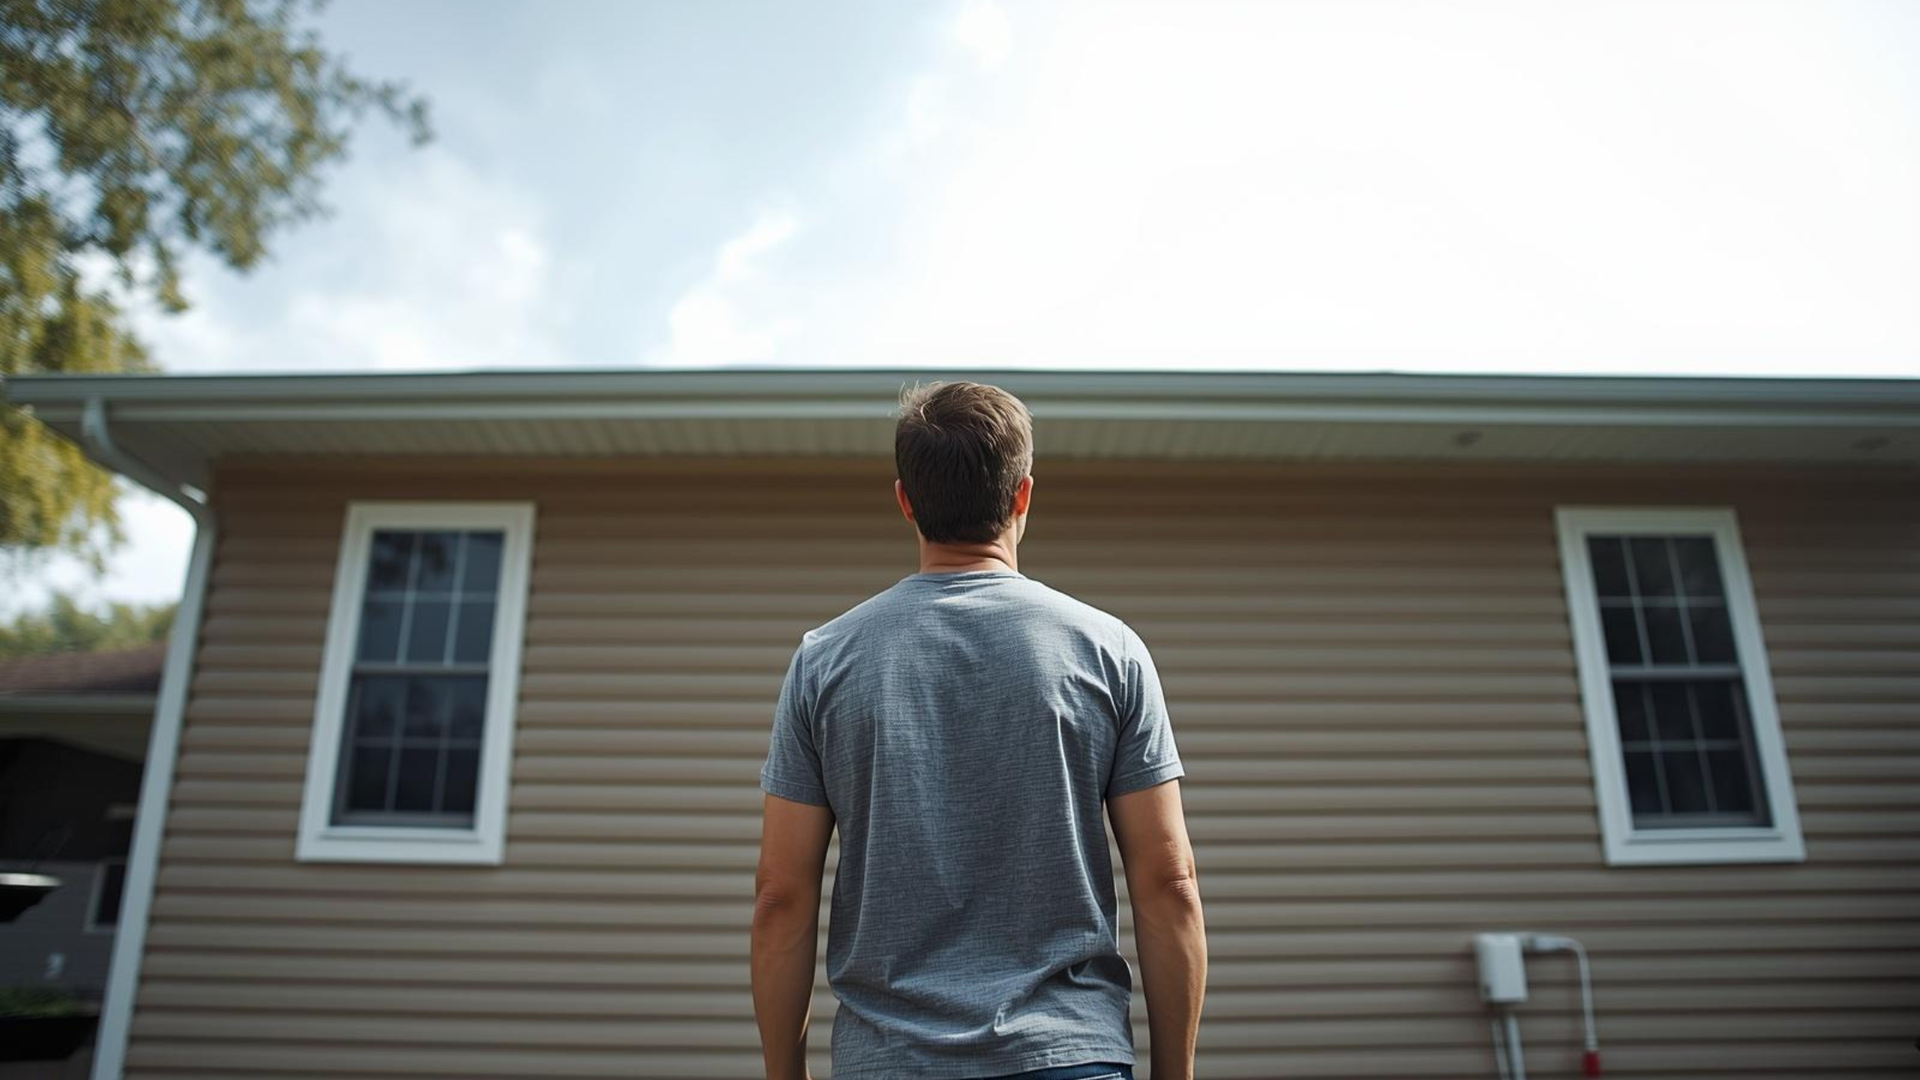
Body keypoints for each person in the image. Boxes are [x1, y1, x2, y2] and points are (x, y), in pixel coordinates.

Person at [751, 379, 1207, 1080]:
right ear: (1023, 494)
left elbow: (781, 896)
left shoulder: (825, 661)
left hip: (889, 1062)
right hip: (1068, 1055)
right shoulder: (1109, 650)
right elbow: (1169, 881)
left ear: (905, 501)